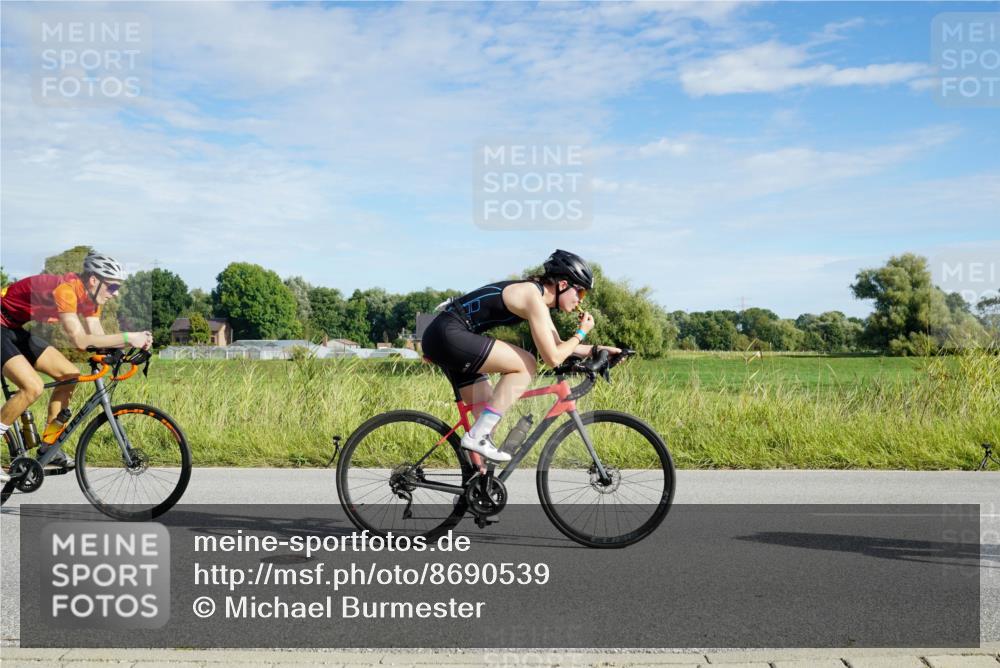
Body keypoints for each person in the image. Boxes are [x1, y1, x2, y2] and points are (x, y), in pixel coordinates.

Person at [421, 249, 620, 462]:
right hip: (449, 334)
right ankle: (477, 437)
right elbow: (553, 358)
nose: (581, 299)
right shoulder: (531, 296)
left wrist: (599, 350)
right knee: (527, 363)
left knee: (488, 418)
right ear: (563, 285)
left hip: (449, 336)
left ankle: (474, 485)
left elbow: (559, 346)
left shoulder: (538, 300)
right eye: (580, 293)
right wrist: (581, 333)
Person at [0, 252, 152, 474]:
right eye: (111, 287)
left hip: (13, 327)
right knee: (33, 387)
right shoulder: (66, 290)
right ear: (94, 280)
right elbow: (80, 341)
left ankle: (49, 446)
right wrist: (129, 337)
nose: (115, 293)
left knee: (70, 375)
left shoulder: (92, 300)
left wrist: (118, 353)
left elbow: (96, 337)